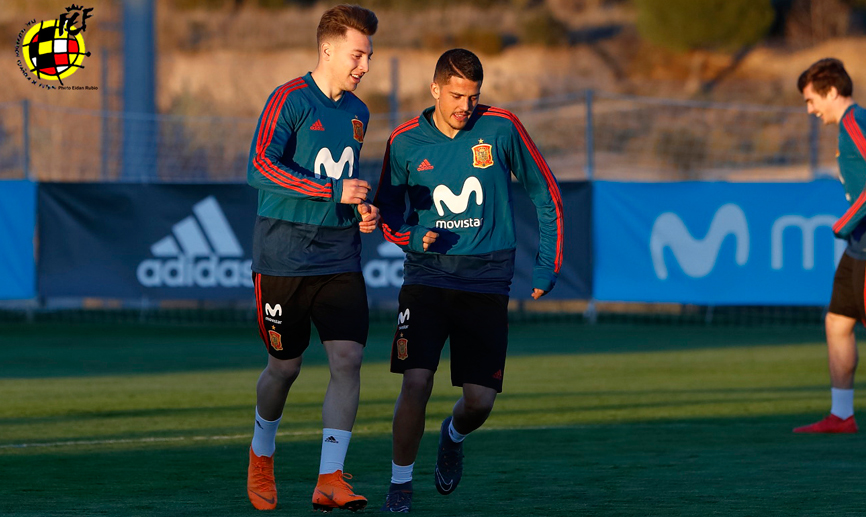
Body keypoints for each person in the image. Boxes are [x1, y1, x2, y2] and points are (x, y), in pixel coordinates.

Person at [373, 48, 564, 512]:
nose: (465, 106)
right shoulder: (403, 141)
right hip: (427, 276)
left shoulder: (501, 127)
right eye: (457, 95)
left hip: (487, 277)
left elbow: (547, 193)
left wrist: (547, 265)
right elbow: (388, 213)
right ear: (435, 88)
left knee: (479, 401)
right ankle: (400, 483)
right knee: (415, 382)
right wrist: (415, 236)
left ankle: (453, 434)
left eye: (473, 97)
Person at [244, 4, 380, 511]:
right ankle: (261, 454)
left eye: (368, 55)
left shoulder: (360, 113)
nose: (364, 65)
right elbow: (260, 165)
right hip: (283, 257)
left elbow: (347, 180)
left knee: (348, 359)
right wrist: (332, 192)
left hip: (340, 256)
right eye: (357, 54)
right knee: (285, 366)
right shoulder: (290, 99)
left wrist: (362, 208)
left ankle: (330, 477)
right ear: (328, 49)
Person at [794, 58, 866, 434]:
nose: (810, 110)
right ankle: (842, 415)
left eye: (811, 100)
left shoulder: (856, 121)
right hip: (858, 246)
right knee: (837, 322)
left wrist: (847, 220)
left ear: (832, 92)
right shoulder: (846, 127)